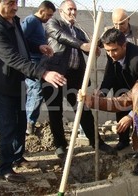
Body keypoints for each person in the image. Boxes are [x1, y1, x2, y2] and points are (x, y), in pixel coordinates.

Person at [0, 0, 67, 183]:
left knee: (21, 122)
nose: (15, 7)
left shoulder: (13, 21)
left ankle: (17, 156)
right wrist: (43, 72)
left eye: (16, 2)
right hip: (3, 84)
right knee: (8, 126)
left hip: (18, 81)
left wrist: (37, 47)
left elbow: (22, 42)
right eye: (10, 3)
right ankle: (5, 168)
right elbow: (12, 57)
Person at [42, 0, 116, 159]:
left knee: (83, 109)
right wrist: (82, 45)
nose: (73, 12)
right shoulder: (53, 23)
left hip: (74, 77)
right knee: (55, 111)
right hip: (54, 75)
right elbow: (62, 37)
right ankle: (60, 145)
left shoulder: (78, 31)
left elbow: (88, 48)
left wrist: (99, 44)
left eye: (75, 10)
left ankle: (97, 142)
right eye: (69, 9)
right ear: (61, 11)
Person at [96, 28, 138, 151]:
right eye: (108, 51)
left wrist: (132, 115)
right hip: (121, 86)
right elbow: (109, 75)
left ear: (124, 45)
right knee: (120, 110)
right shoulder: (111, 53)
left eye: (114, 50)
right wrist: (101, 93)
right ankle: (123, 141)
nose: (111, 54)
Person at [21, 1, 56, 135]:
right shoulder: (31, 21)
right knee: (36, 91)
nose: (49, 18)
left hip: (39, 63)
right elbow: (21, 40)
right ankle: (29, 123)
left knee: (37, 91)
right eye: (48, 15)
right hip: (32, 64)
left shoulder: (38, 24)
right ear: (42, 11)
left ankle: (29, 123)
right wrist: (37, 48)